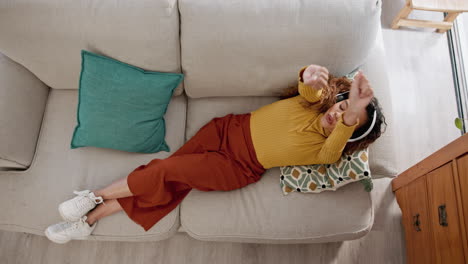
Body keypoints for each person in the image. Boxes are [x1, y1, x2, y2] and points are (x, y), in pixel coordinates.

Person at [44, 64, 386, 244]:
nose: (337, 114)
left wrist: (354, 113)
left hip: (235, 166)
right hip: (224, 129)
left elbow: (330, 155)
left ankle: (92, 199)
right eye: (341, 106)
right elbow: (310, 89)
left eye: (346, 120)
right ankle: (86, 222)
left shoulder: (324, 149)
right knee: (168, 177)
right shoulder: (314, 102)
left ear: (349, 134)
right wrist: (309, 75)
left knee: (163, 173)